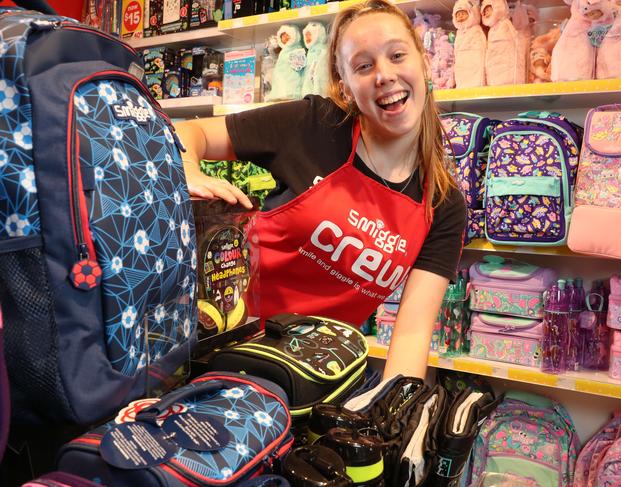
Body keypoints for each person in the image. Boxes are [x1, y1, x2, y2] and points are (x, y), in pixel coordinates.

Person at [174, 0, 466, 379]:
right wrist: (187, 170)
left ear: (422, 63)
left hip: (309, 380)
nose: (384, 74)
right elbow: (188, 132)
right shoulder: (314, 125)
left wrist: (401, 410)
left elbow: (411, 333)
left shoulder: (442, 203)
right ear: (345, 87)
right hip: (210, 349)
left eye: (397, 55)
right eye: (364, 65)